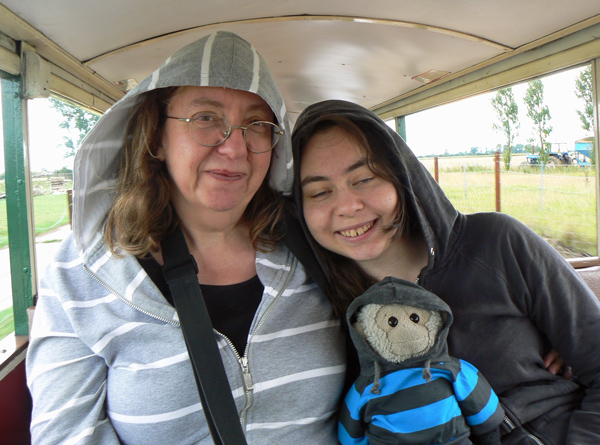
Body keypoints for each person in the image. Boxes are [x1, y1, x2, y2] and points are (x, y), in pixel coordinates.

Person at [26, 32, 346, 444]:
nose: (234, 148)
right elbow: (66, 435)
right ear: (157, 137)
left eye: (256, 125)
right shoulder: (82, 272)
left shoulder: (316, 247)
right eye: (206, 118)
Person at [289, 99, 600, 444]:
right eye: (319, 192)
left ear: (401, 175)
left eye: (364, 178)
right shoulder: (318, 309)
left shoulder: (497, 242)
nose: (347, 206)